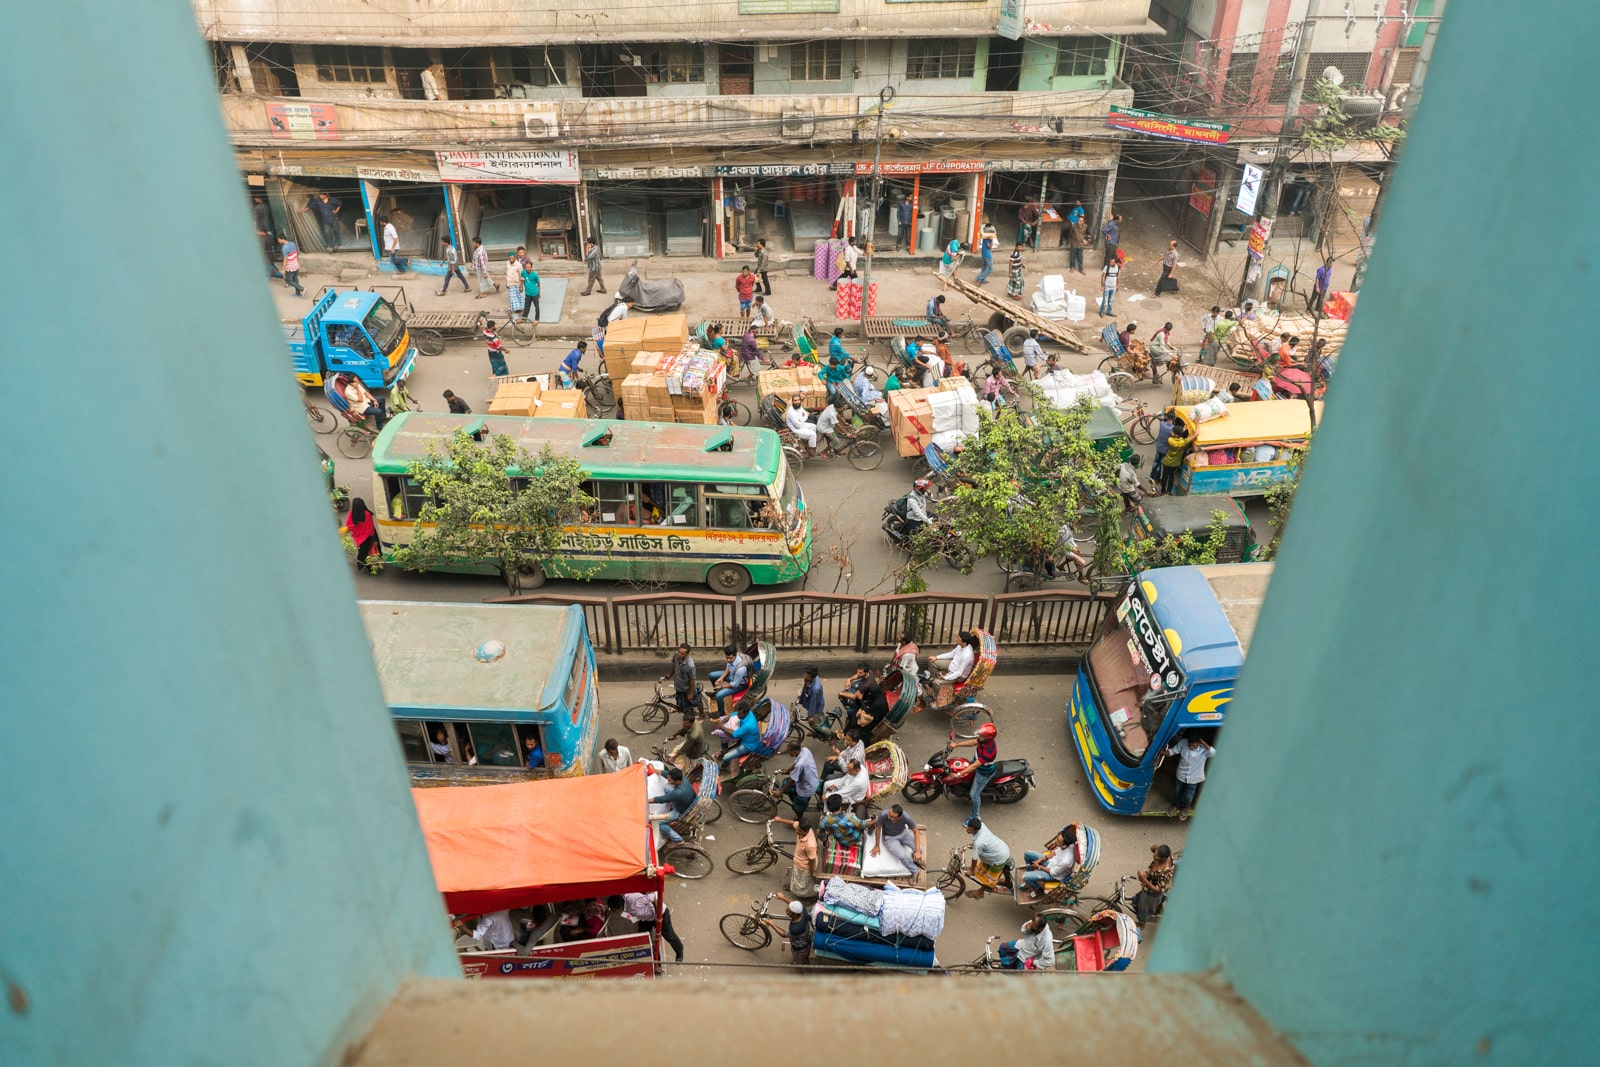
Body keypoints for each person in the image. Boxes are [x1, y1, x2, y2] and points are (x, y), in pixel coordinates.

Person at [950, 721, 998, 820]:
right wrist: (957, 745)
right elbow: (973, 742)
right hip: (976, 760)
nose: (979, 736)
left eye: (982, 735)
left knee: (974, 795)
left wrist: (958, 774)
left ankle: (975, 816)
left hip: (983, 773)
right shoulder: (983, 740)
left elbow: (974, 766)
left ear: (987, 738)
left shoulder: (989, 751)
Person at [622, 891, 683, 965]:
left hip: (659, 914)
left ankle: (679, 951)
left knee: (669, 935)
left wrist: (658, 915)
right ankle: (657, 959)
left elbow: (653, 897)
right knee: (644, 938)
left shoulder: (634, 902)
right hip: (646, 919)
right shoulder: (626, 899)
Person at [1164, 733, 1215, 818]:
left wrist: (1204, 743)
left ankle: (1185, 809)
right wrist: (1162, 752)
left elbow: (1213, 754)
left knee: (1188, 795)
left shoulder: (1204, 749)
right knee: (1177, 792)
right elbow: (1173, 751)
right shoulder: (1183, 743)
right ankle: (1175, 806)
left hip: (1194, 777)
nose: (1191, 747)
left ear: (1199, 743)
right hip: (1181, 774)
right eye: (1189, 745)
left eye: (1193, 745)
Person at [963, 815, 1011, 899]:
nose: (967, 829)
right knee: (985, 869)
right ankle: (1008, 882)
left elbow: (974, 858)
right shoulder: (981, 825)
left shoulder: (979, 843)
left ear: (976, 829)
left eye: (970, 829)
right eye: (968, 827)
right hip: (999, 847)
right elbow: (984, 840)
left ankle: (980, 892)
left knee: (989, 878)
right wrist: (974, 845)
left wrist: (971, 870)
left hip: (998, 857)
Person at [773, 816, 819, 899]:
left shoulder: (810, 845)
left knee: (804, 884)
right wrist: (781, 819)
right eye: (797, 829)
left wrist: (812, 872)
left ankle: (808, 897)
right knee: (796, 877)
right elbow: (792, 823)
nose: (797, 831)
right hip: (798, 861)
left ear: (806, 831)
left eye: (800, 831)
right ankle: (793, 887)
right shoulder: (800, 826)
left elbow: (812, 860)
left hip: (805, 867)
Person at [1134, 843, 1176, 924]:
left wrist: (1144, 879)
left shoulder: (1164, 872)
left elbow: (1159, 890)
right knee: (1137, 899)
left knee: (1143, 910)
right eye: (1155, 853)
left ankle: (1141, 923)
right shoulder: (1166, 855)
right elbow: (1153, 848)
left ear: (1163, 859)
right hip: (1150, 881)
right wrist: (1156, 849)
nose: (1154, 856)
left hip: (1151, 894)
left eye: (1156, 856)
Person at [651, 765, 694, 842]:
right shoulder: (682, 777)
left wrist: (645, 800)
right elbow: (665, 773)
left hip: (681, 811)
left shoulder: (678, 793)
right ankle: (672, 804)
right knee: (667, 786)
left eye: (670, 780)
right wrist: (654, 769)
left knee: (658, 823)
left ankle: (678, 840)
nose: (668, 780)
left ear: (677, 781)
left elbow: (660, 799)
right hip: (688, 801)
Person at [871, 805, 922, 870]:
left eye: (892, 817)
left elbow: (916, 831)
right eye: (889, 814)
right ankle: (914, 870)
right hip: (889, 838)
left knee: (920, 849)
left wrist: (917, 851)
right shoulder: (883, 815)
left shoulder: (906, 817)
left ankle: (914, 857)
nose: (889, 817)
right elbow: (878, 829)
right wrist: (877, 845)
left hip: (903, 833)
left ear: (899, 817)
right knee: (902, 856)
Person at [779, 739, 818, 817]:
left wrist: (781, 792)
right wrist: (788, 770)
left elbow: (792, 780)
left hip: (807, 787)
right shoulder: (805, 750)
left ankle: (799, 817)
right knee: (785, 783)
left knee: (797, 808)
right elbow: (796, 762)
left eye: (789, 751)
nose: (788, 753)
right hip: (812, 779)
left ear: (795, 751)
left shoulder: (800, 765)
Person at [710, 644, 750, 718]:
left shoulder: (741, 669)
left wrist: (722, 687)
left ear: (735, 656)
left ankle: (721, 712)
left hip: (739, 684)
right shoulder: (732, 658)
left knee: (719, 696)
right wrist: (721, 678)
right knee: (711, 675)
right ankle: (716, 691)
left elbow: (734, 684)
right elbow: (728, 668)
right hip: (732, 677)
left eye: (730, 658)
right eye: (727, 658)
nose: (728, 660)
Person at [345, 498, 380, 566]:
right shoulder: (367, 514)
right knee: (370, 551)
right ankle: (369, 565)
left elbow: (349, 525)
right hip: (369, 537)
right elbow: (371, 528)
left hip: (359, 538)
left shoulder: (351, 514)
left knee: (362, 551)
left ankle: (362, 564)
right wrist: (374, 539)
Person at [1159, 424, 1191, 495]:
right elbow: (1191, 437)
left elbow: (1174, 438)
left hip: (1167, 462)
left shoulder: (1170, 440)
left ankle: (1163, 492)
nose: (1171, 432)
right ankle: (1169, 491)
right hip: (1176, 463)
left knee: (1164, 477)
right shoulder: (1183, 442)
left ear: (1176, 435)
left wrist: (1182, 430)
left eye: (1173, 432)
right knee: (1171, 476)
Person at [669, 644, 697, 716]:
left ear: (687, 654)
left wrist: (690, 693)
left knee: (688, 706)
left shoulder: (690, 666)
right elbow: (674, 665)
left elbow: (692, 680)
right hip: (679, 685)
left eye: (682, 653)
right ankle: (680, 707)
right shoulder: (676, 656)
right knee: (679, 700)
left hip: (686, 688)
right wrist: (670, 674)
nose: (679, 654)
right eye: (679, 652)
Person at [784, 899, 813, 966]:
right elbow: (795, 905)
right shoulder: (803, 911)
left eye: (788, 912)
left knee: (803, 962)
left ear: (794, 915)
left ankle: (804, 973)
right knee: (798, 958)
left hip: (800, 948)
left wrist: (772, 924)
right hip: (806, 939)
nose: (786, 912)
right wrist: (782, 897)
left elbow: (783, 934)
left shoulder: (795, 929)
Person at [1149, 321, 1177, 385]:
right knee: (1168, 357)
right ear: (1166, 329)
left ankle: (1155, 377)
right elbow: (1162, 347)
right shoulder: (1161, 334)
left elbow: (1166, 340)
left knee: (1167, 354)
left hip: (1156, 347)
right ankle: (1163, 365)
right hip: (1155, 349)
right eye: (1168, 330)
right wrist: (1170, 353)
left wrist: (1170, 346)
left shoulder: (1164, 330)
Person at [505, 249, 527, 322]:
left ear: (515, 257)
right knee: (513, 299)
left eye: (512, 258)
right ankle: (516, 312)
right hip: (510, 283)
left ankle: (522, 314)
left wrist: (521, 286)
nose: (511, 259)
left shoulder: (519, 265)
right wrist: (506, 283)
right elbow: (507, 273)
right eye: (510, 258)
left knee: (520, 298)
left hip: (517, 284)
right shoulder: (507, 263)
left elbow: (522, 276)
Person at [521, 259, 541, 323]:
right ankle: (524, 319)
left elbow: (538, 284)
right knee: (526, 306)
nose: (527, 268)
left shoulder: (535, 275)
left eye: (529, 267)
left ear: (531, 267)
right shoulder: (523, 272)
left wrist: (539, 293)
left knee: (536, 306)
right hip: (528, 293)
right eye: (526, 267)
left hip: (534, 293)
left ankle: (537, 319)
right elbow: (522, 280)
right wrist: (521, 287)